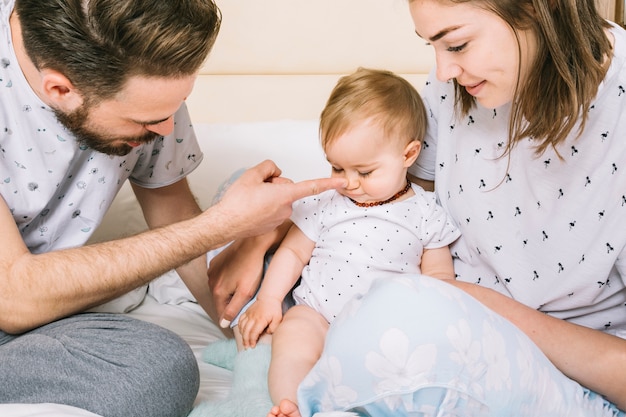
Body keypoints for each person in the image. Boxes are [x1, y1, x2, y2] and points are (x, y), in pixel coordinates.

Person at [209, 0, 626, 415]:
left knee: (393, 326)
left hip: (525, 351)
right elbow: (392, 204)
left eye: (458, 45)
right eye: (433, 46)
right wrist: (269, 231)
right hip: (414, 302)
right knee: (239, 195)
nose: (442, 72)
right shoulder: (455, 81)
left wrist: (462, 303)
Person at [0, 1, 344, 416]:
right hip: (16, 299)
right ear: (60, 89)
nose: (167, 129)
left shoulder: (146, 91)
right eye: (147, 122)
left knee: (158, 368)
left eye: (174, 109)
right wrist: (222, 224)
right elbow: (15, 297)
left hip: (34, 316)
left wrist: (258, 334)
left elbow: (174, 216)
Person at [233, 67, 460, 417]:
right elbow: (293, 252)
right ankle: (293, 404)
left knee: (398, 365)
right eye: (337, 168)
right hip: (317, 313)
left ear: (408, 155)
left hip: (381, 325)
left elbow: (440, 279)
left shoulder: (425, 211)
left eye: (364, 172)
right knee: (292, 341)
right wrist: (268, 300)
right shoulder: (327, 203)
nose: (348, 183)